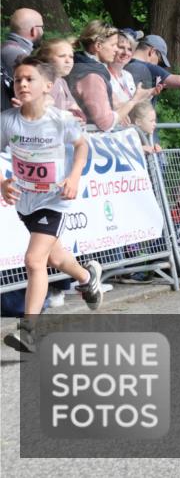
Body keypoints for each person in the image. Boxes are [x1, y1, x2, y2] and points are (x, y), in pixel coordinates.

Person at [1, 57, 104, 353]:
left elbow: (82, 145)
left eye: (29, 79)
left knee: (34, 260)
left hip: (55, 200)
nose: (22, 83)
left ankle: (28, 330)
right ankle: (87, 277)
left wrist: (74, 176)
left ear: (48, 85)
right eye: (18, 79)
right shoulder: (7, 120)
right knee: (55, 259)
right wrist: (3, 182)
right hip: (26, 201)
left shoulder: (60, 120)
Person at [67, 21, 152, 131]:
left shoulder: (86, 67)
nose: (116, 49)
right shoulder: (91, 76)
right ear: (98, 46)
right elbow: (106, 123)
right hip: (88, 140)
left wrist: (119, 107)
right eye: (113, 45)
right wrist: (134, 100)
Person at [33, 38, 84, 121]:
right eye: (62, 56)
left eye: (71, 57)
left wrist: (75, 116)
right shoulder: (44, 83)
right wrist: (70, 118)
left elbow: (78, 112)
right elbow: (40, 115)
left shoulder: (61, 81)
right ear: (46, 59)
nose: (68, 61)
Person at [2, 8, 44, 78]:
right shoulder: (17, 54)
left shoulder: (7, 48)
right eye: (42, 27)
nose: (43, 31)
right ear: (34, 30)